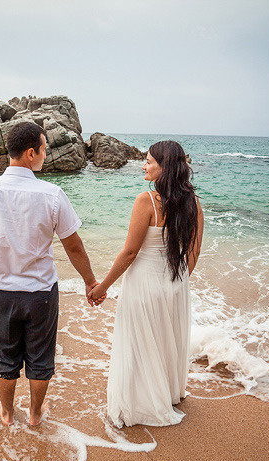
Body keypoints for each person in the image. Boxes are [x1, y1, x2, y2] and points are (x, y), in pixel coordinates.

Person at [0, 121, 101, 427]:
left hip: (2, 291)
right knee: (41, 360)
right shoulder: (51, 194)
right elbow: (74, 247)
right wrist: (90, 282)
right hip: (40, 293)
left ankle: (6, 413)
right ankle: (35, 414)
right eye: (43, 148)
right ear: (30, 153)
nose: (45, 153)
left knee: (5, 357)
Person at [89, 140, 203, 428]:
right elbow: (193, 252)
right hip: (176, 283)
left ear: (164, 167)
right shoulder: (195, 203)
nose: (144, 165)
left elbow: (129, 253)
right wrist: (176, 283)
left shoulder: (147, 200)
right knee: (165, 338)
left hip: (143, 282)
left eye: (149, 161)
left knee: (139, 341)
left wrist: (102, 287)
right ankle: (169, 393)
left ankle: (142, 402)